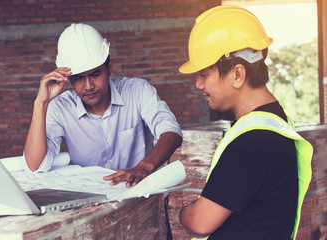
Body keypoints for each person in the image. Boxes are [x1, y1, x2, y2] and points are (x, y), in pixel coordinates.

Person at [178, 5, 313, 240]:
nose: (198, 85)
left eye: (204, 75)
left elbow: (200, 222)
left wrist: (183, 212)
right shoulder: (274, 122)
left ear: (238, 74)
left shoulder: (252, 143)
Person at [23, 23, 183, 189]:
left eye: (95, 74)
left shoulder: (137, 91)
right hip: (93, 203)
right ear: (67, 79)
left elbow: (171, 132)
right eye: (78, 78)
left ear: (110, 68)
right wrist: (40, 103)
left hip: (141, 197)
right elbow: (35, 167)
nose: (88, 86)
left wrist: (143, 167)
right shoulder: (60, 108)